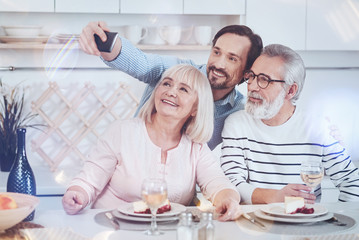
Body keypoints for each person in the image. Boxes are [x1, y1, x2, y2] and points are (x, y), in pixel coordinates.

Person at [62, 64, 241, 221]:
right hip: (112, 229)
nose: (171, 91)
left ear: (196, 108)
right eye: (167, 83)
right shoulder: (122, 131)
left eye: (183, 89)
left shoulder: (196, 147)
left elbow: (217, 182)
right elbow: (89, 180)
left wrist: (228, 199)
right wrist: (77, 194)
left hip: (164, 233)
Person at [79, 22, 263, 150]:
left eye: (232, 58)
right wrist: (104, 40)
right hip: (131, 177)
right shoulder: (174, 72)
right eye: (216, 52)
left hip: (180, 194)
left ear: (247, 72)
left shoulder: (239, 113)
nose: (219, 64)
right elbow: (139, 62)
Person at [220, 44, 359, 204]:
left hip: (306, 224)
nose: (252, 86)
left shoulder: (318, 126)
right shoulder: (237, 124)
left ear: (290, 90)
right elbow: (231, 184)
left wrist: (340, 222)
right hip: (254, 225)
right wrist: (274, 197)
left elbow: (351, 182)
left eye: (264, 80)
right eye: (251, 76)